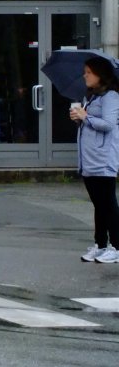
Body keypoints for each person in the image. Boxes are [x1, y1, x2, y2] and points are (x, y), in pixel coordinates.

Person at [70, 55, 119, 263]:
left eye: (89, 72)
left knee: (108, 203)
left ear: (100, 75)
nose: (85, 76)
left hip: (103, 158)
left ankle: (116, 246)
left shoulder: (111, 97)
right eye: (85, 72)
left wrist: (85, 117)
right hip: (89, 159)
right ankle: (100, 244)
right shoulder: (91, 97)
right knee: (98, 204)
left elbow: (108, 124)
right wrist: (79, 118)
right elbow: (89, 123)